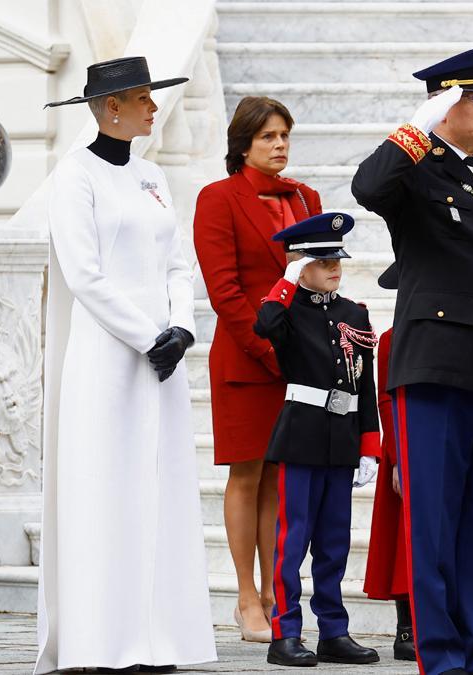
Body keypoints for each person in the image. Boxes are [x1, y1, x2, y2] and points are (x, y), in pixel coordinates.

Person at [351, 46, 473, 675]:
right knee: (434, 520)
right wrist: (419, 125)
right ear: (443, 104)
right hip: (435, 366)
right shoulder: (413, 169)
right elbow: (366, 186)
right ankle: (438, 657)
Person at [36, 56, 216, 674]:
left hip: (160, 358)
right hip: (106, 354)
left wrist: (181, 327)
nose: (153, 107)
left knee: (159, 491)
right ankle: (101, 642)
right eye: (144, 97)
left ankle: (158, 636)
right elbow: (84, 274)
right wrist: (147, 334)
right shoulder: (74, 177)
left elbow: (175, 261)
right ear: (112, 106)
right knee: (104, 491)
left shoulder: (154, 176)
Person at [194, 96, 322, 643]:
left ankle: (277, 595)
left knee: (281, 479)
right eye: (268, 137)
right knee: (247, 474)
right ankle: (246, 596)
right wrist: (272, 351)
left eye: (284, 136)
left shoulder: (308, 197)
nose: (279, 146)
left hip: (303, 362)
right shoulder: (218, 198)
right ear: (243, 143)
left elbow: (322, 280)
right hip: (247, 358)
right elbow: (223, 291)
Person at [253, 212, 381, 667]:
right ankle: (284, 633)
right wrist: (284, 281)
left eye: (336, 261)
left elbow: (365, 385)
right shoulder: (286, 310)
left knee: (334, 542)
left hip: (342, 438)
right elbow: (264, 327)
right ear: (301, 265)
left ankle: (333, 631)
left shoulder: (354, 314)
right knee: (293, 540)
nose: (334, 268)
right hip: (302, 435)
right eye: (322, 261)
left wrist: (370, 444)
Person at [361, 264, 415, 662]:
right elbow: (386, 400)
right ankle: (407, 626)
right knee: (402, 535)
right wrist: (396, 457)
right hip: (406, 450)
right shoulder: (392, 339)